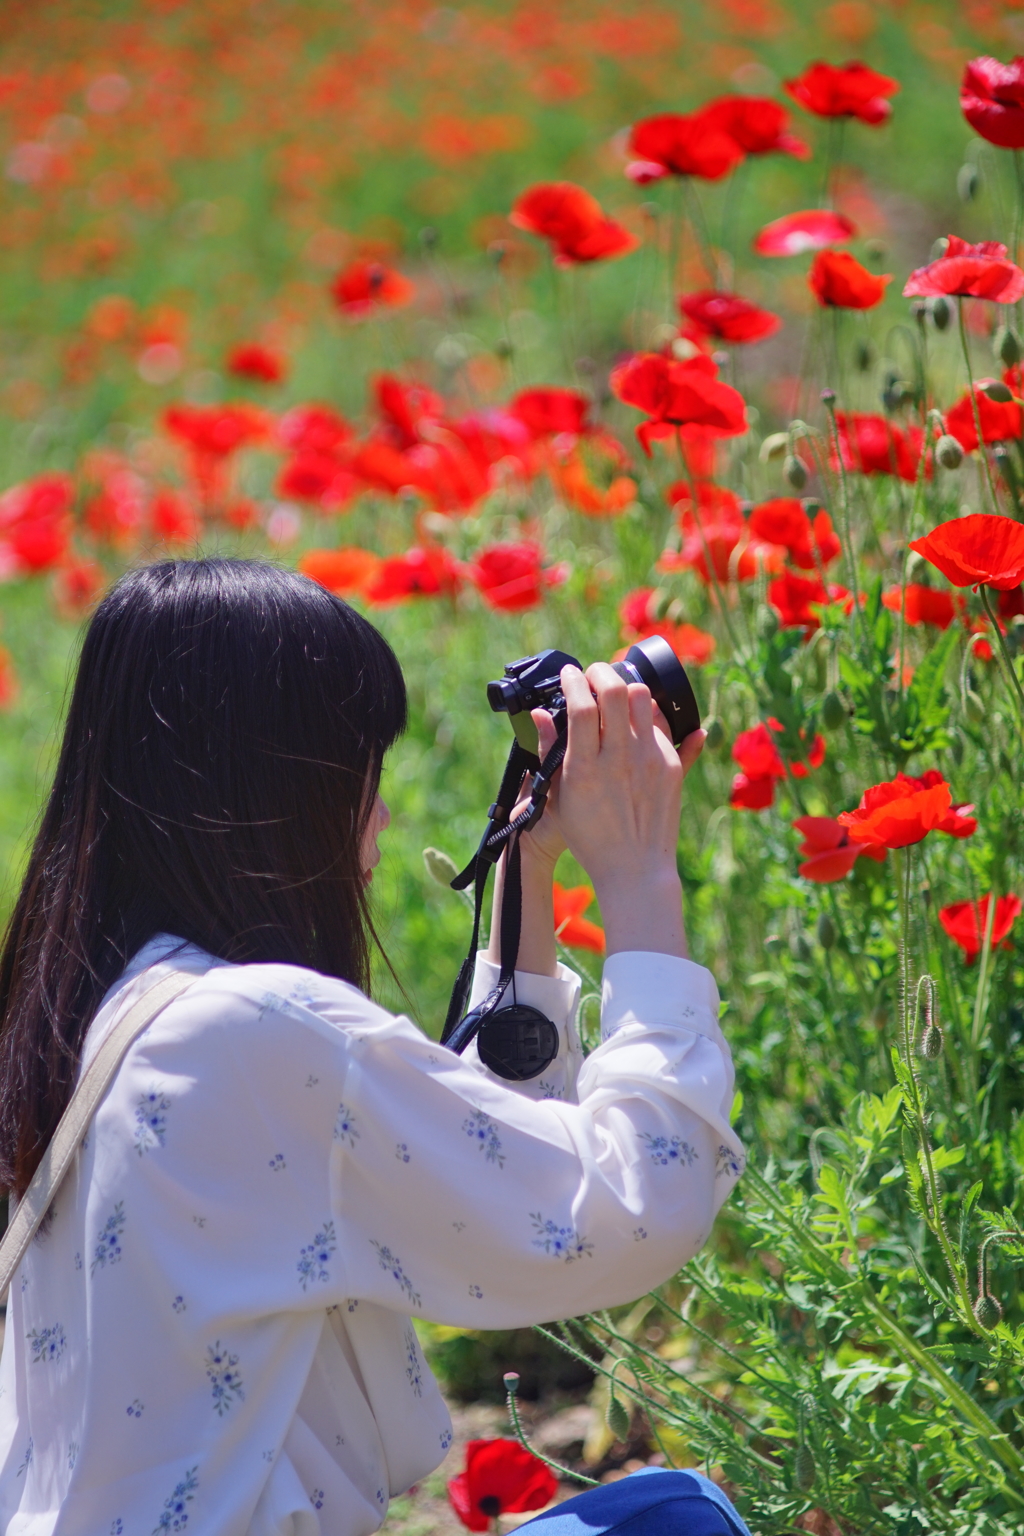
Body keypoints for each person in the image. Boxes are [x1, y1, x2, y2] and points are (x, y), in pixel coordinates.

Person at [0, 558, 747, 1536]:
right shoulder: (245, 1035)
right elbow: (630, 1209)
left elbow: (480, 1171)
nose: (382, 810)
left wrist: (525, 858)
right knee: (675, 1525)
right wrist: (643, 876)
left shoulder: (104, 1021)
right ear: (272, 781)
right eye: (362, 767)